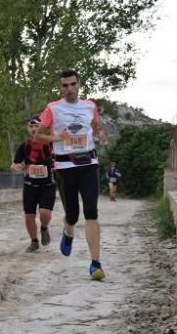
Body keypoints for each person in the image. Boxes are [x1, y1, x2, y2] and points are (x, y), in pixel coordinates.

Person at [35, 70, 108, 280]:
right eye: (65, 85)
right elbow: (38, 135)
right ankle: (68, 232)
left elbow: (96, 129)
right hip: (65, 166)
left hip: (89, 163)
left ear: (78, 85)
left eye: (72, 84)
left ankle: (96, 264)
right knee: (73, 213)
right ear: (61, 88)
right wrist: (57, 137)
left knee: (91, 211)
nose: (69, 89)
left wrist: (100, 135)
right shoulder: (53, 108)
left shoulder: (90, 107)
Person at [11, 117, 55, 252]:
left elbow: (61, 158)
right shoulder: (24, 146)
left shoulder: (50, 143)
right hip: (30, 185)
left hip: (48, 184)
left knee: (44, 213)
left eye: (36, 126)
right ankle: (34, 241)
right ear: (28, 129)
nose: (34, 129)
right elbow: (14, 164)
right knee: (29, 215)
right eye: (31, 127)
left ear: (42, 127)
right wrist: (17, 167)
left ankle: (44, 228)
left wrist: (53, 164)